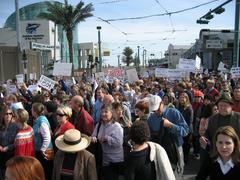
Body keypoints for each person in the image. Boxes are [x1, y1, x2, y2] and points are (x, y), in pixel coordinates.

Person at [147, 95, 189, 178]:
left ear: (162, 103)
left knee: (176, 173)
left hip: (175, 148)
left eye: (158, 109)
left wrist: (171, 126)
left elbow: (185, 131)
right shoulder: (151, 118)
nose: (156, 112)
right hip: (160, 151)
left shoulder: (174, 112)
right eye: (154, 110)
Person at [91, 104, 124, 180]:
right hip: (102, 159)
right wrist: (93, 138)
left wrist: (107, 138)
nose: (103, 114)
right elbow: (93, 135)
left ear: (111, 113)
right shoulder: (99, 125)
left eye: (106, 112)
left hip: (114, 161)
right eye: (102, 112)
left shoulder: (117, 126)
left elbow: (119, 143)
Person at [32, 102, 54, 180]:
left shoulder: (42, 121)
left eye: (32, 109)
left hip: (45, 152)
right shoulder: (39, 120)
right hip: (43, 151)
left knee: (46, 172)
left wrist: (42, 149)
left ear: (35, 111)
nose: (31, 110)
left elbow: (47, 137)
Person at [0, 105, 18, 178]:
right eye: (6, 114)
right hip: (1, 155)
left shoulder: (15, 126)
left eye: (10, 113)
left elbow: (17, 142)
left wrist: (8, 147)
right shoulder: (1, 126)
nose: (8, 116)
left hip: (11, 154)